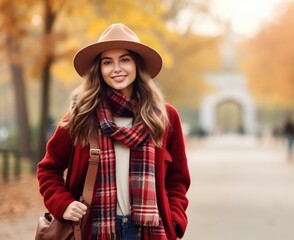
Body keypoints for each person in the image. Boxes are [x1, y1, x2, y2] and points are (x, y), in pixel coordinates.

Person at [37, 23, 190, 240]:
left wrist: (174, 221)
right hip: (94, 230)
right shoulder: (80, 116)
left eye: (124, 60)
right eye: (107, 62)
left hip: (149, 232)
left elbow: (178, 180)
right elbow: (48, 169)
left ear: (137, 65)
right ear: (99, 69)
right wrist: (63, 205)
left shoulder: (164, 117)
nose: (116, 68)